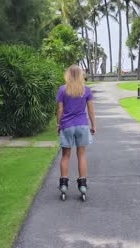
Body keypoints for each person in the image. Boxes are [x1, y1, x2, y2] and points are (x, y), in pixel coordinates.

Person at [56, 65, 96, 199]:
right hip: (82, 125)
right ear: (80, 75)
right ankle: (83, 184)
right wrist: (93, 125)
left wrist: (58, 124)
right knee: (81, 155)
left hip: (67, 125)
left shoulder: (62, 90)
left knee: (66, 155)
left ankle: (63, 184)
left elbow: (60, 110)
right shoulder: (86, 90)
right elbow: (90, 111)